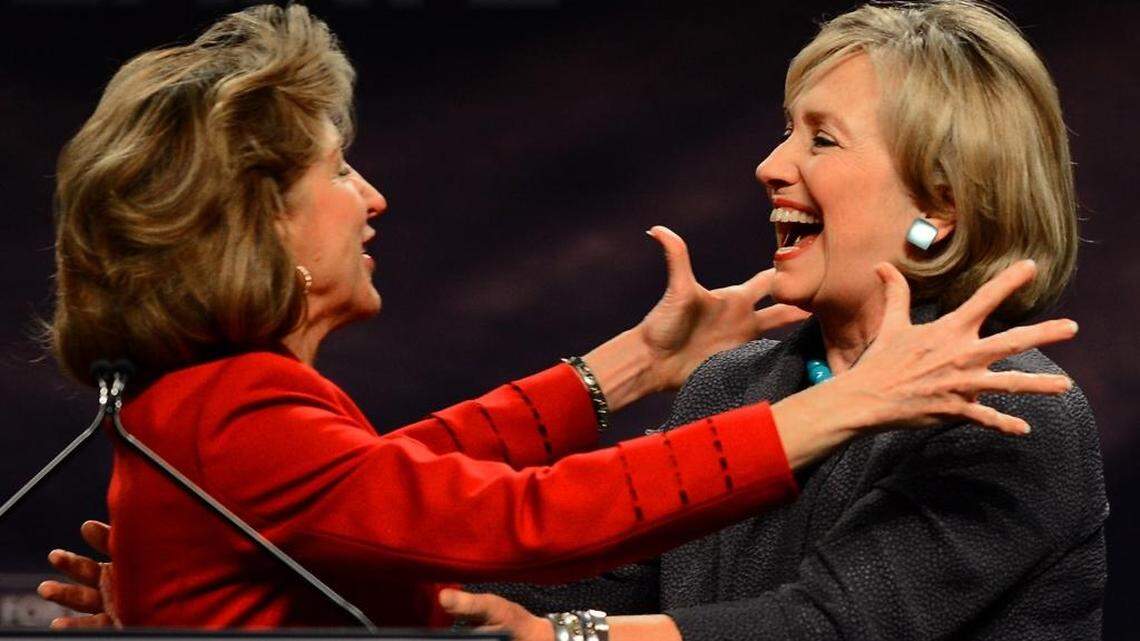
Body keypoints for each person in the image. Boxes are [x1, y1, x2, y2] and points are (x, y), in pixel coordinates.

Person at [37, 1, 1082, 633]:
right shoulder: (233, 406)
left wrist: (631, 364)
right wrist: (840, 406)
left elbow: (418, 483)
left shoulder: (1013, 406)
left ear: (942, 202)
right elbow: (502, 519)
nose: (371, 197)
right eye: (340, 168)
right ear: (257, 226)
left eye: (820, 137)